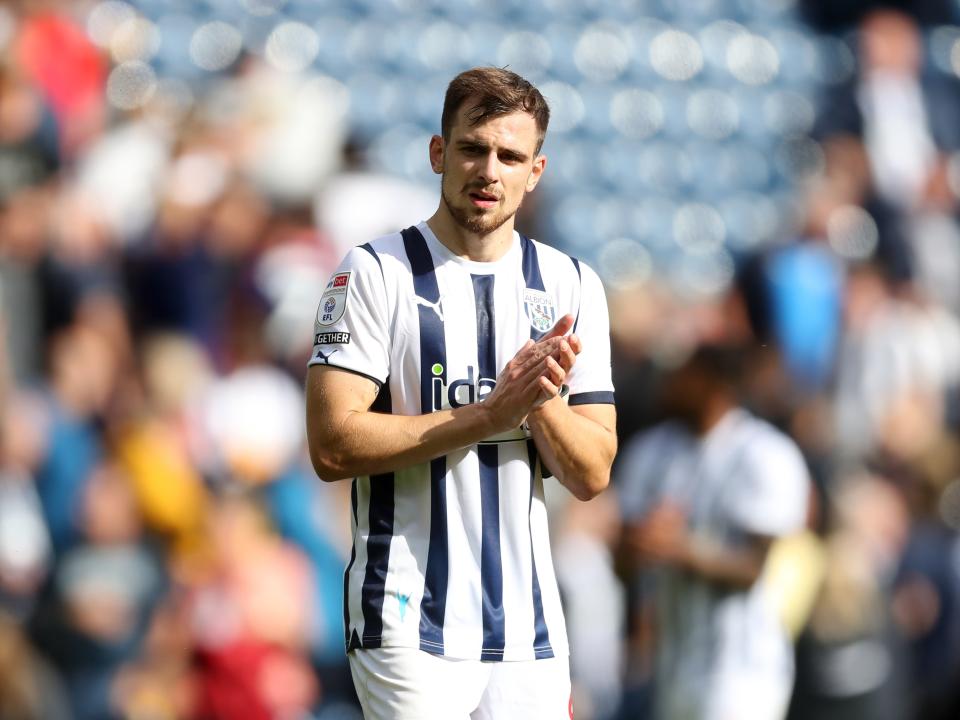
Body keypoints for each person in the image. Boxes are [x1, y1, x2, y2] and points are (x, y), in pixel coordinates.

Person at [304, 67, 617, 719]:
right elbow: (332, 445)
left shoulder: (570, 285)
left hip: (528, 629)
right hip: (405, 616)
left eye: (510, 156)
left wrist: (539, 403)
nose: (489, 170)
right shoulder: (374, 273)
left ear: (536, 171)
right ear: (438, 152)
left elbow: (592, 472)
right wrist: (487, 414)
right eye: (473, 148)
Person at [616, 345, 809, 720]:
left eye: (685, 374)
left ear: (714, 383)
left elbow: (754, 568)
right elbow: (622, 566)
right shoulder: (651, 449)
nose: (670, 384)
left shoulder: (765, 453)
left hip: (743, 666)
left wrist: (678, 548)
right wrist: (639, 543)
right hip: (671, 661)